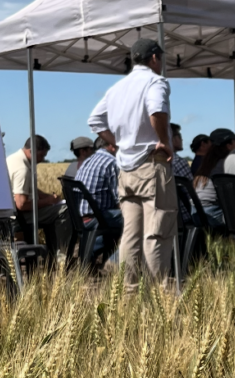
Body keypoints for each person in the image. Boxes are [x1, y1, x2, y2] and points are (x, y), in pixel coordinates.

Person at [88, 37, 178, 289]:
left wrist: (118, 144)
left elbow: (95, 120)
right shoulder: (155, 81)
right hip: (151, 164)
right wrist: (164, 141)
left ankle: (129, 292)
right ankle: (157, 293)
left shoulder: (117, 88)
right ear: (154, 58)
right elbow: (157, 110)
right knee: (157, 232)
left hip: (126, 168)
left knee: (131, 234)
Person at [6, 135, 71, 253]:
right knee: (65, 210)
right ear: (32, 151)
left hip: (10, 213)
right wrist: (48, 201)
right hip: (19, 216)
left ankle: (52, 253)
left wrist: (48, 196)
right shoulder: (22, 169)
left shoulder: (12, 159)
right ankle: (60, 253)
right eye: (41, 155)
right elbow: (21, 204)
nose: (42, 159)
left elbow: (29, 190)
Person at [74, 136, 123, 261]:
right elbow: (120, 200)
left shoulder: (88, 160)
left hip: (81, 216)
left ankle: (88, 255)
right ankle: (114, 262)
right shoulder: (111, 162)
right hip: (97, 217)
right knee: (138, 219)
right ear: (112, 146)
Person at [192, 128, 235, 227]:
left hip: (196, 213)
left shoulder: (206, 164)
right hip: (212, 215)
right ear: (229, 145)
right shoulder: (224, 164)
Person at [170, 123, 194, 225]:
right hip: (185, 216)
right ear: (172, 138)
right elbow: (192, 193)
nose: (182, 139)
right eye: (179, 136)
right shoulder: (179, 162)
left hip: (169, 217)